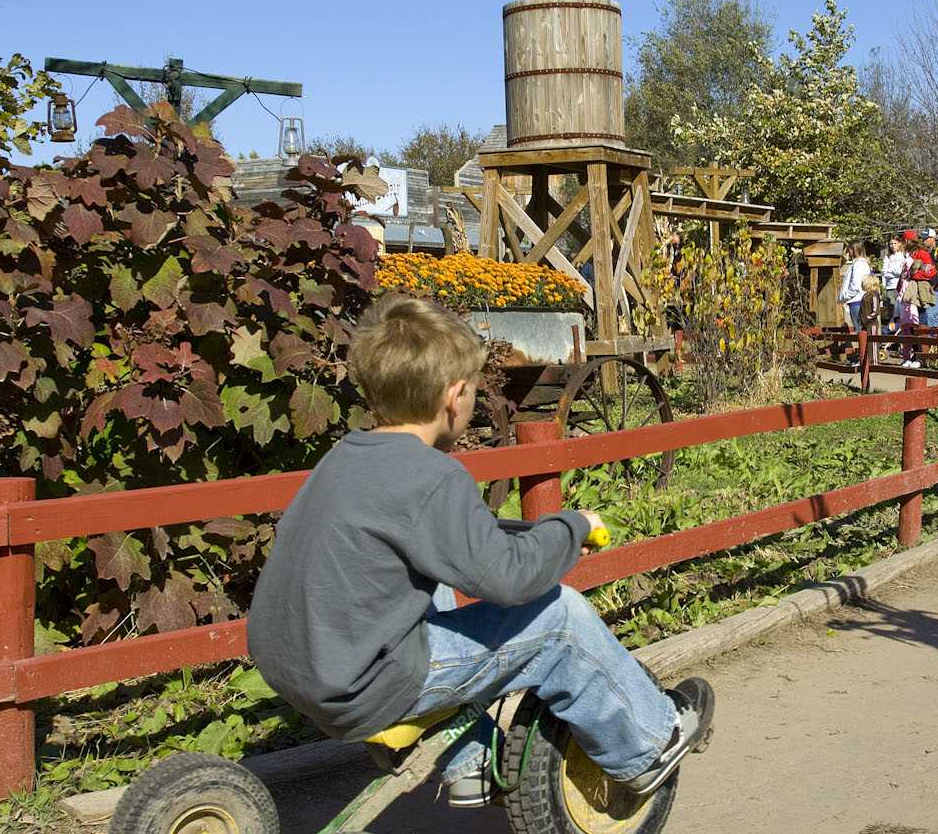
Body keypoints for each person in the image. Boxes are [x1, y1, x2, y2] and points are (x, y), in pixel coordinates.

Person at [246, 295, 715, 807]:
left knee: (437, 585)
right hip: (365, 684)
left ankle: (469, 763)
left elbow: (437, 551)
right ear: (455, 397)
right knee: (558, 620)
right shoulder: (429, 474)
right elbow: (510, 580)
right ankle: (648, 745)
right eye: (472, 391)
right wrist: (570, 526)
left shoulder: (344, 460)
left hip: (299, 668)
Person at [908, 228, 938, 331]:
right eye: (922, 239)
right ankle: (924, 343)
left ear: (933, 239)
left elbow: (931, 272)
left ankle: (933, 341)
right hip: (924, 288)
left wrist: (935, 280)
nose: (924, 241)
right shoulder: (920, 252)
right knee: (922, 316)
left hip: (936, 288)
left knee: (931, 315)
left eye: (926, 239)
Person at [838, 241, 871, 332]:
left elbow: (855, 284)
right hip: (859, 299)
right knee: (861, 329)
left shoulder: (858, 265)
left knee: (859, 329)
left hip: (856, 300)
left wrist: (846, 296)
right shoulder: (863, 264)